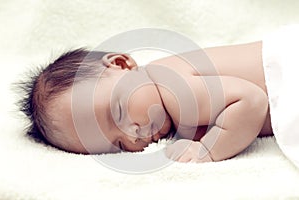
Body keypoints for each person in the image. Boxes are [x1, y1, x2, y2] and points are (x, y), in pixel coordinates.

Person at [19, 25, 299, 165]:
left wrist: (208, 150)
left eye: (118, 112)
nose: (134, 134)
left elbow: (252, 101)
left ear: (121, 64)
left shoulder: (173, 88)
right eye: (117, 144)